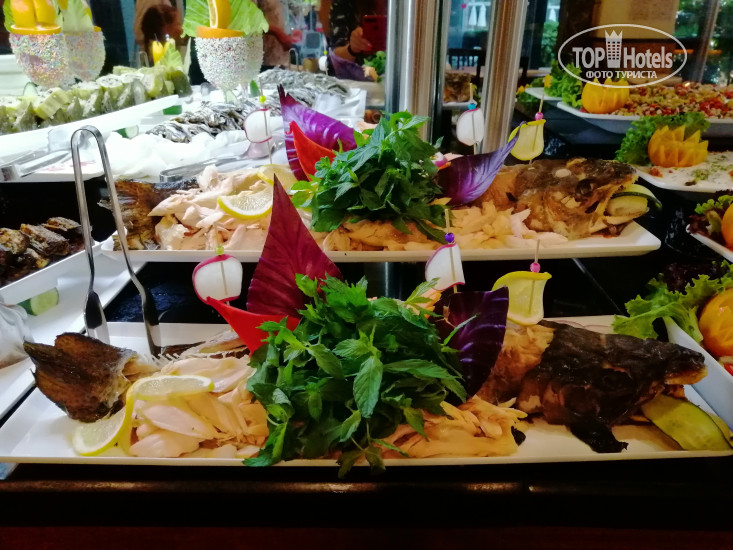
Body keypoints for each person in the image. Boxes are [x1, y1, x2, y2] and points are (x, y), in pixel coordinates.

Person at [326, 0, 386, 81]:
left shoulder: (403, 6)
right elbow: (336, 55)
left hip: (398, 80)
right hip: (356, 84)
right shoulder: (344, 4)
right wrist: (352, 49)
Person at [256, 0, 302, 69]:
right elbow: (250, 25)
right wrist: (279, 34)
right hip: (266, 57)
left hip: (281, 58)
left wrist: (288, 36)